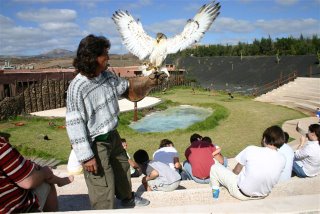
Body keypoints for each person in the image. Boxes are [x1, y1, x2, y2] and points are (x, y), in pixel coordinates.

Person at [65, 34, 167, 209]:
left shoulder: (106, 77)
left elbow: (128, 89)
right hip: (95, 144)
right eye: (105, 54)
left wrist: (149, 81)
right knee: (101, 184)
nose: (108, 58)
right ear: (93, 57)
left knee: (122, 171)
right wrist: (86, 156)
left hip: (113, 136)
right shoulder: (77, 87)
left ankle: (128, 199)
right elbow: (74, 125)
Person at [210, 125, 286, 200]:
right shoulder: (283, 158)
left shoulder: (251, 149)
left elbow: (236, 171)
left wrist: (231, 177)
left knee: (214, 167)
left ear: (265, 139)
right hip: (263, 194)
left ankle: (215, 195)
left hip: (241, 194)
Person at [0, 136, 74, 213]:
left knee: (35, 169)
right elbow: (28, 182)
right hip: (15, 210)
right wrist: (44, 172)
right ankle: (59, 181)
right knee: (43, 179)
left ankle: (59, 180)